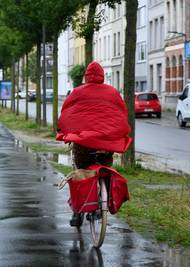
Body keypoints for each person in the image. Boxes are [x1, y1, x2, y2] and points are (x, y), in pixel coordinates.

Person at [56, 61, 132, 227]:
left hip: (84, 146)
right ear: (102, 76)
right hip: (106, 146)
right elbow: (121, 112)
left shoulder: (77, 92)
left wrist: (62, 128)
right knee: (105, 168)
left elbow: (68, 111)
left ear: (86, 76)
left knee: (80, 172)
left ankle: (77, 213)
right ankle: (101, 203)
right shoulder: (112, 93)